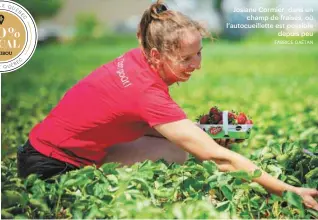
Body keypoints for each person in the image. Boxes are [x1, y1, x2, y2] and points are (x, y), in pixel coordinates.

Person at [17, 0, 318, 211]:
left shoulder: (138, 59)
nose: (197, 65)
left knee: (179, 146)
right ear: (158, 57)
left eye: (199, 53)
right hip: (49, 168)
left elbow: (154, 128)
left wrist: (208, 131)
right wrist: (289, 191)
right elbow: (218, 158)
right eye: (186, 59)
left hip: (44, 147)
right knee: (182, 151)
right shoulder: (147, 93)